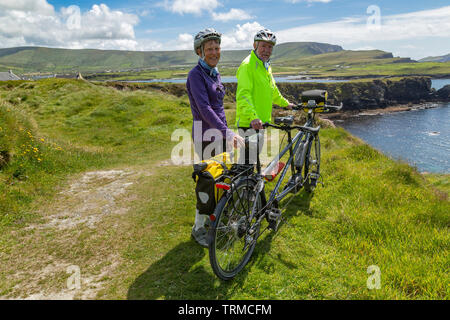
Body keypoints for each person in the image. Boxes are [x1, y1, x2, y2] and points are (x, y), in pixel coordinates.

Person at [186, 28, 244, 247]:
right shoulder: (196, 75)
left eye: (216, 47)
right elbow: (204, 109)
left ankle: (214, 220)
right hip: (207, 136)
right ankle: (198, 228)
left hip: (219, 133)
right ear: (200, 51)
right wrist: (227, 132)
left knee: (221, 179)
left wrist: (226, 132)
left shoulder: (214, 72)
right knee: (208, 182)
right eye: (209, 48)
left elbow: (218, 108)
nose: (214, 52)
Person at [235, 28, 295, 164]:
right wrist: (253, 117)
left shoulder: (266, 66)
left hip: (261, 122)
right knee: (246, 164)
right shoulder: (247, 65)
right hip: (249, 123)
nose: (266, 50)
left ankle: (249, 185)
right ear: (255, 45)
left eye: (269, 47)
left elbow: (272, 90)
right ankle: (239, 185)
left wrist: (286, 103)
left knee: (251, 162)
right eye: (263, 46)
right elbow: (243, 95)